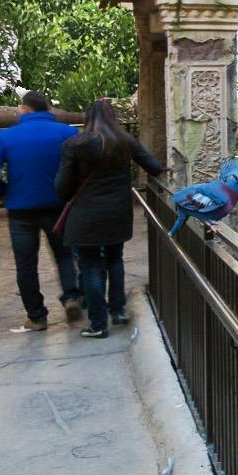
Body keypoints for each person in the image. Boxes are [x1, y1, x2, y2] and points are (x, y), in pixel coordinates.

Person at [53, 98, 166, 338]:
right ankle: (118, 310)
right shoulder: (125, 141)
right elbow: (154, 166)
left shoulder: (74, 144)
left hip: (85, 215)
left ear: (87, 119)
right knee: (116, 259)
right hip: (117, 212)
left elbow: (62, 187)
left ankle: (97, 323)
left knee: (91, 266)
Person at [0, 91, 80, 331]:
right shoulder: (68, 133)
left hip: (21, 210)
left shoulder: (6, 136)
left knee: (26, 263)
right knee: (64, 254)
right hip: (59, 206)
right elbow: (82, 168)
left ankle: (37, 316)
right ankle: (72, 297)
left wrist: (3, 191)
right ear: (48, 109)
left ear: (25, 109)